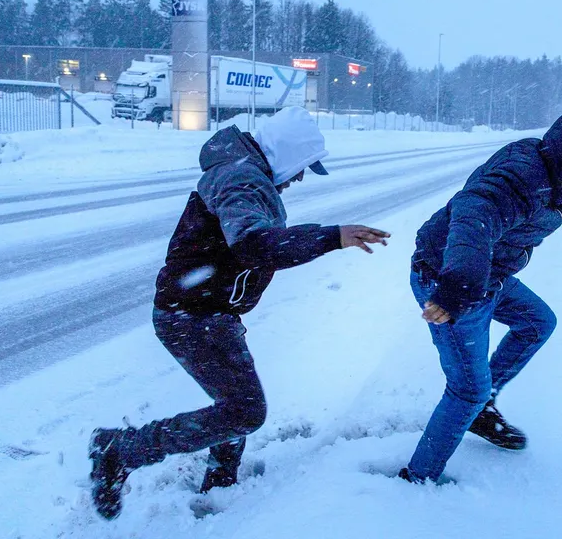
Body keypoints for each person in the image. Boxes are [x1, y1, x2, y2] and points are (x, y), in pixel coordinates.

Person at [89, 106, 391, 519]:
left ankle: (220, 484)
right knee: (244, 410)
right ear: (285, 154)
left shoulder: (244, 173)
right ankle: (121, 449)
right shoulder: (241, 180)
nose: (300, 178)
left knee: (234, 401)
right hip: (191, 315)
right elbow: (254, 245)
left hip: (207, 312)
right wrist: (331, 237)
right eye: (301, 167)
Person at [400, 95, 562, 483]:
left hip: (486, 276)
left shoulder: (554, 174)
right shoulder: (526, 179)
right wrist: (460, 283)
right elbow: (475, 211)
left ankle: (480, 409)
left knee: (537, 322)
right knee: (467, 389)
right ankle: (417, 479)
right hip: (452, 279)